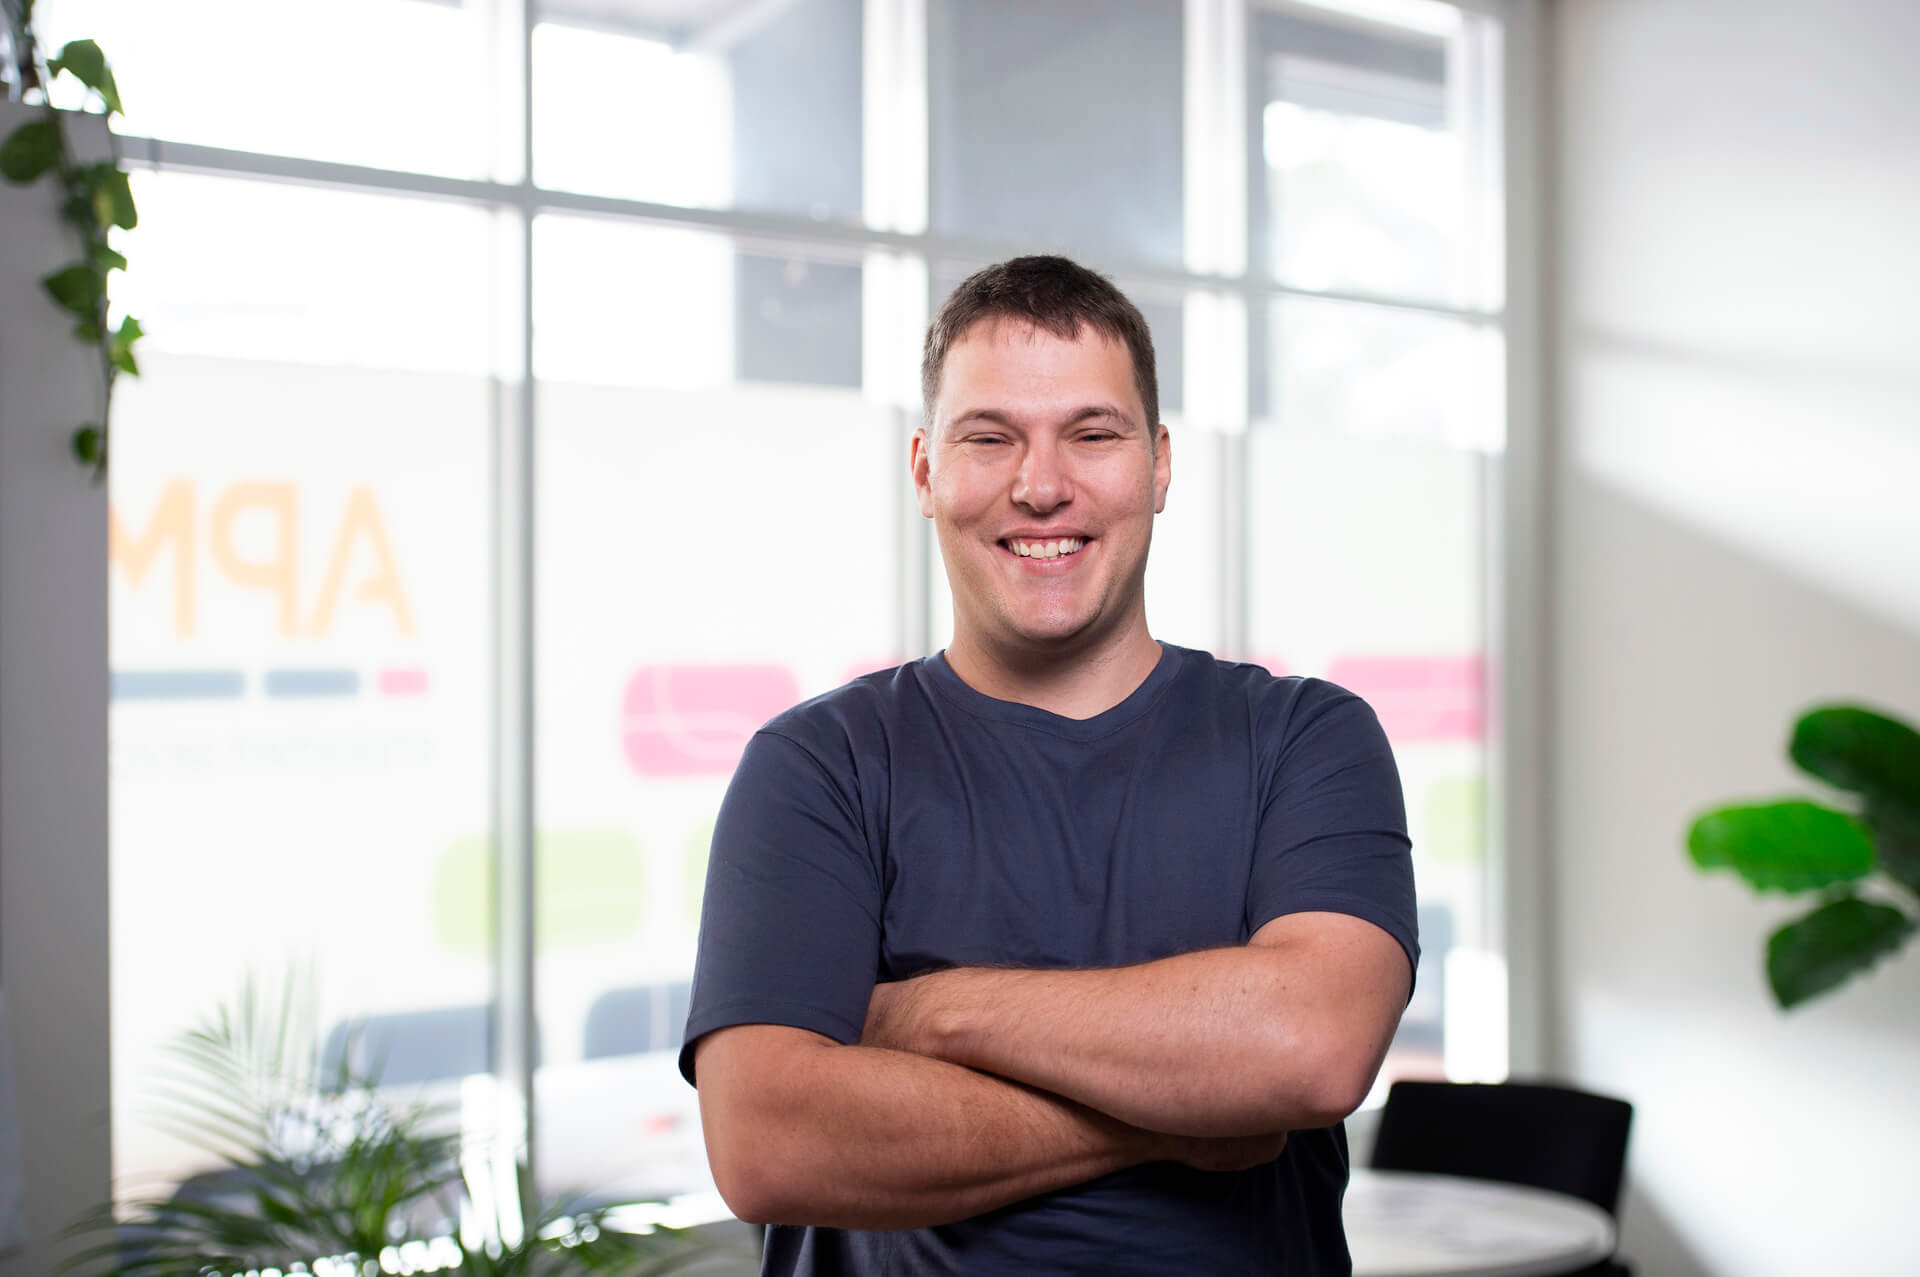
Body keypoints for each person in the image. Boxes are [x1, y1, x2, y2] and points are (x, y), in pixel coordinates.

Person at [678, 255, 1418, 1275]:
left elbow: (1309, 1045)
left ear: (1158, 464)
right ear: (927, 471)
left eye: (1092, 433)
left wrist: (925, 1012)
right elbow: (769, 1140)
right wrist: (1171, 1119)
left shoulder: (1303, 740)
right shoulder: (821, 765)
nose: (1041, 484)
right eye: (990, 437)